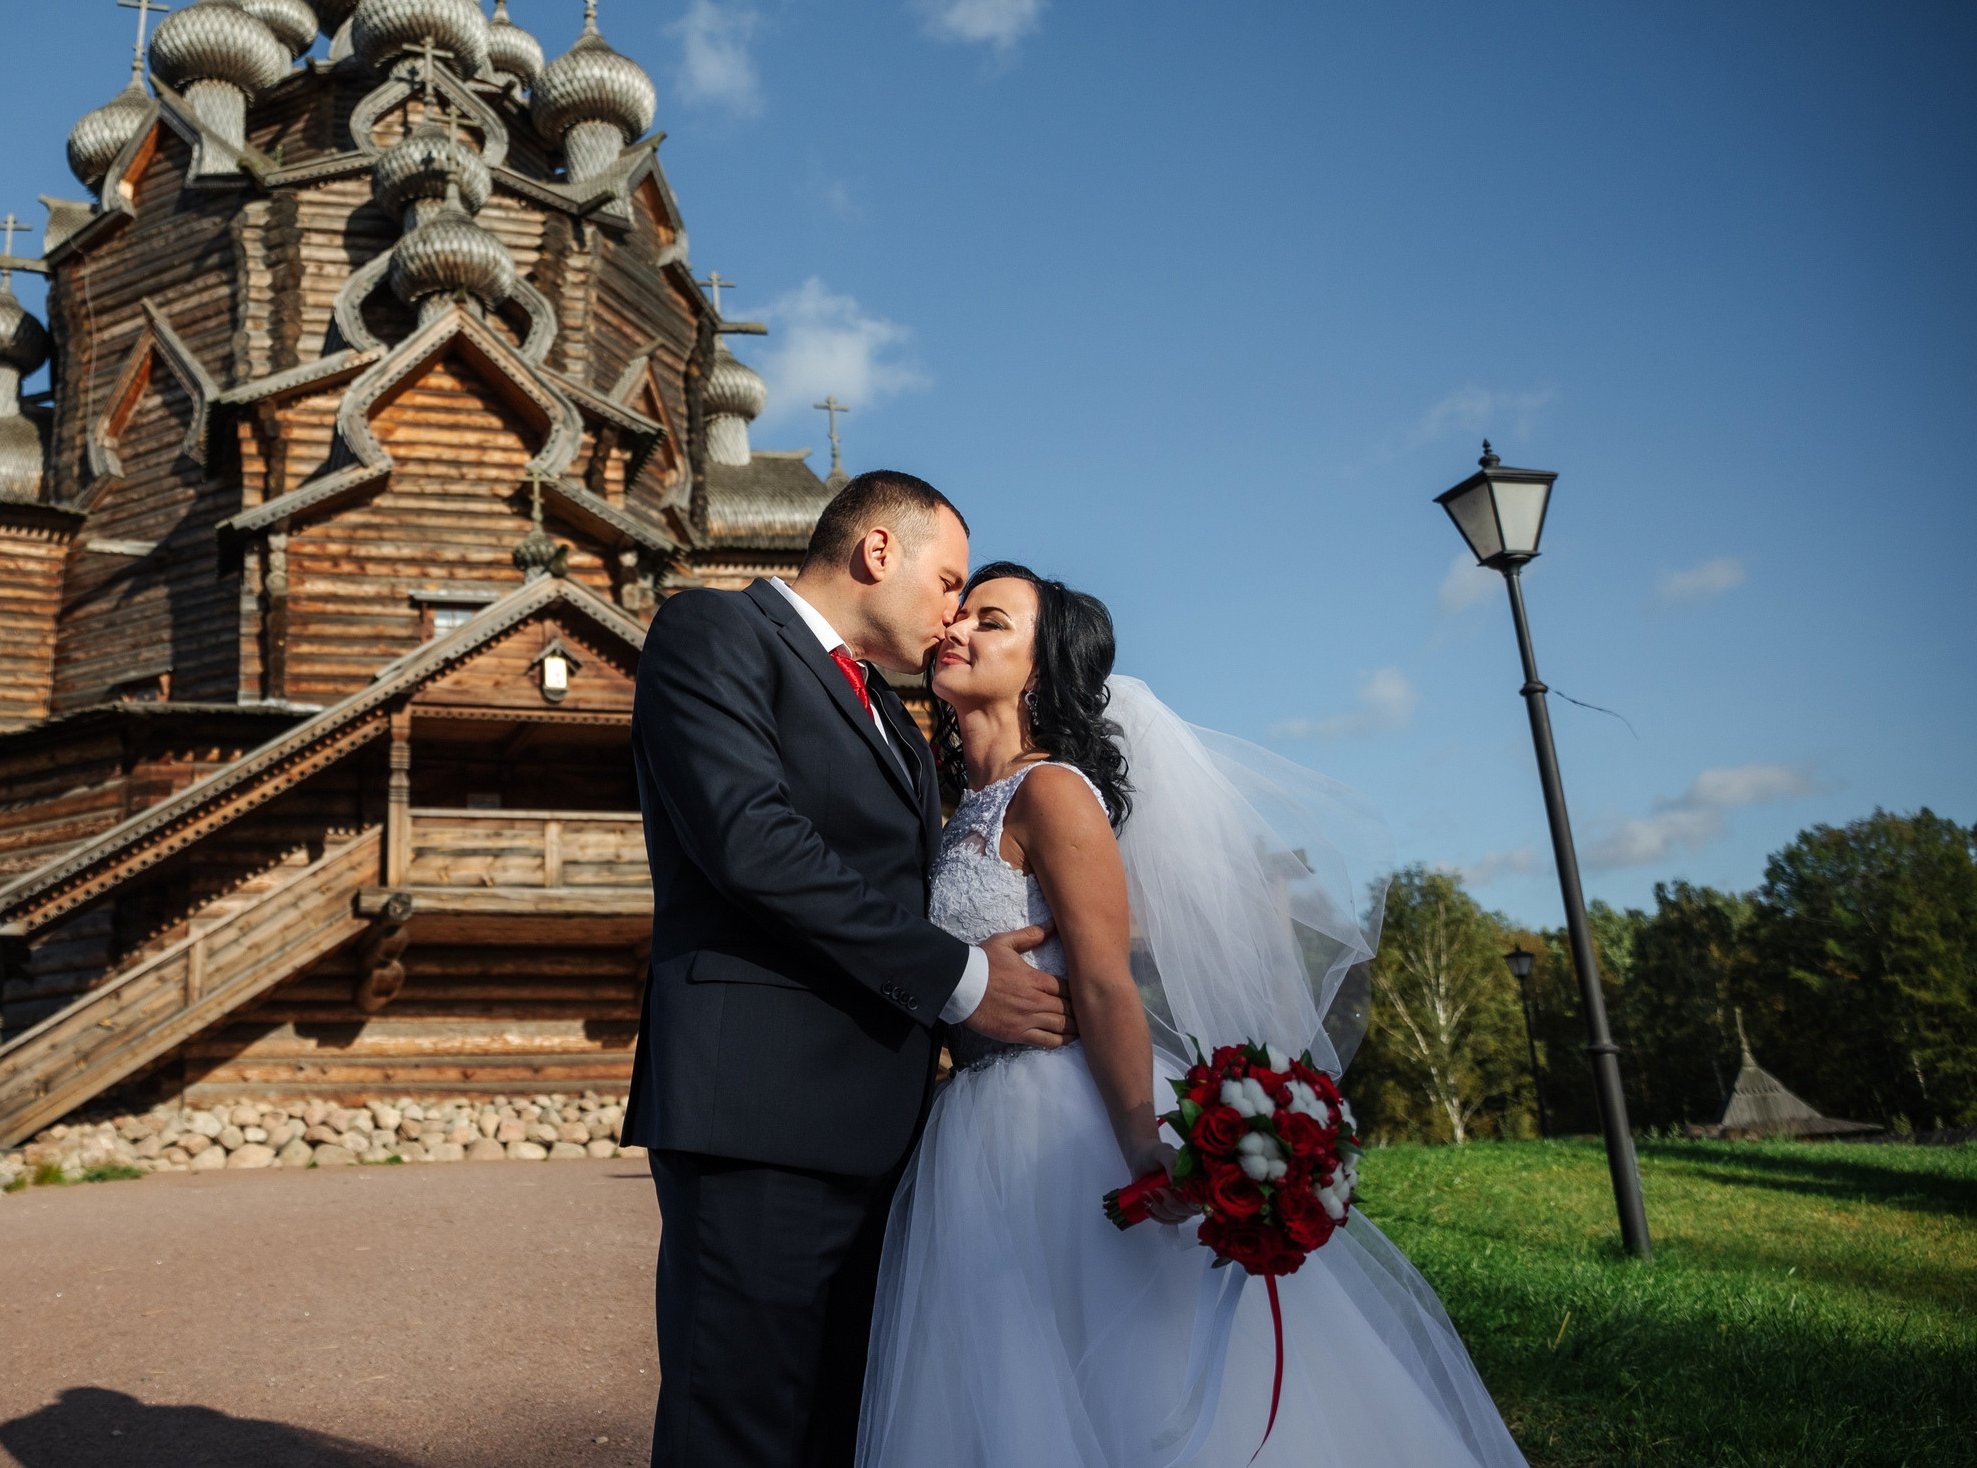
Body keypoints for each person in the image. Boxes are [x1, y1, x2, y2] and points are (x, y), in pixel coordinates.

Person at [855, 563, 1527, 1467]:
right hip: (969, 1117)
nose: (957, 628)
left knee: (1112, 1385)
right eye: (962, 611)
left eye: (992, 619)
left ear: (1042, 672)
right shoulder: (961, 807)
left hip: (1050, 1122)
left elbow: (1105, 983)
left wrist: (1141, 1145)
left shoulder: (1051, 791)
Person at [624, 472, 1076, 1467]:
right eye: (948, 579)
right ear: (879, 552)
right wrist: (962, 978)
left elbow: (905, 893)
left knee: (843, 1429)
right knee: (737, 1430)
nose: (954, 612)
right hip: (759, 1111)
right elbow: (753, 843)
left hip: (884, 1130)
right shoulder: (714, 634)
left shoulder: (900, 730)